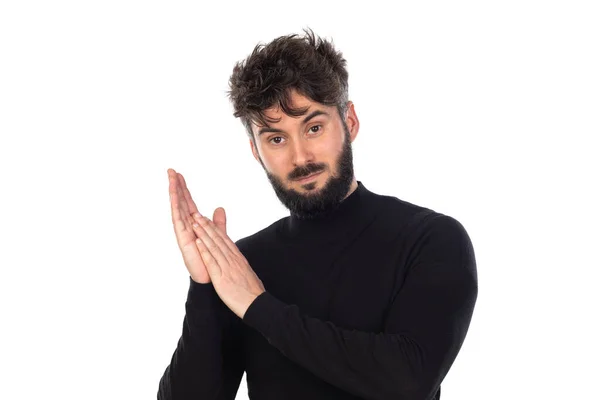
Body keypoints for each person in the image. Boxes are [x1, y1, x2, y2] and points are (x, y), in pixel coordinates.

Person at [158, 29, 478, 400]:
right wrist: (205, 289)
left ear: (350, 122)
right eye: (276, 138)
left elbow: (407, 381)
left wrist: (257, 306)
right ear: (255, 151)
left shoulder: (431, 239)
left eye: (313, 127)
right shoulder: (242, 265)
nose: (300, 157)